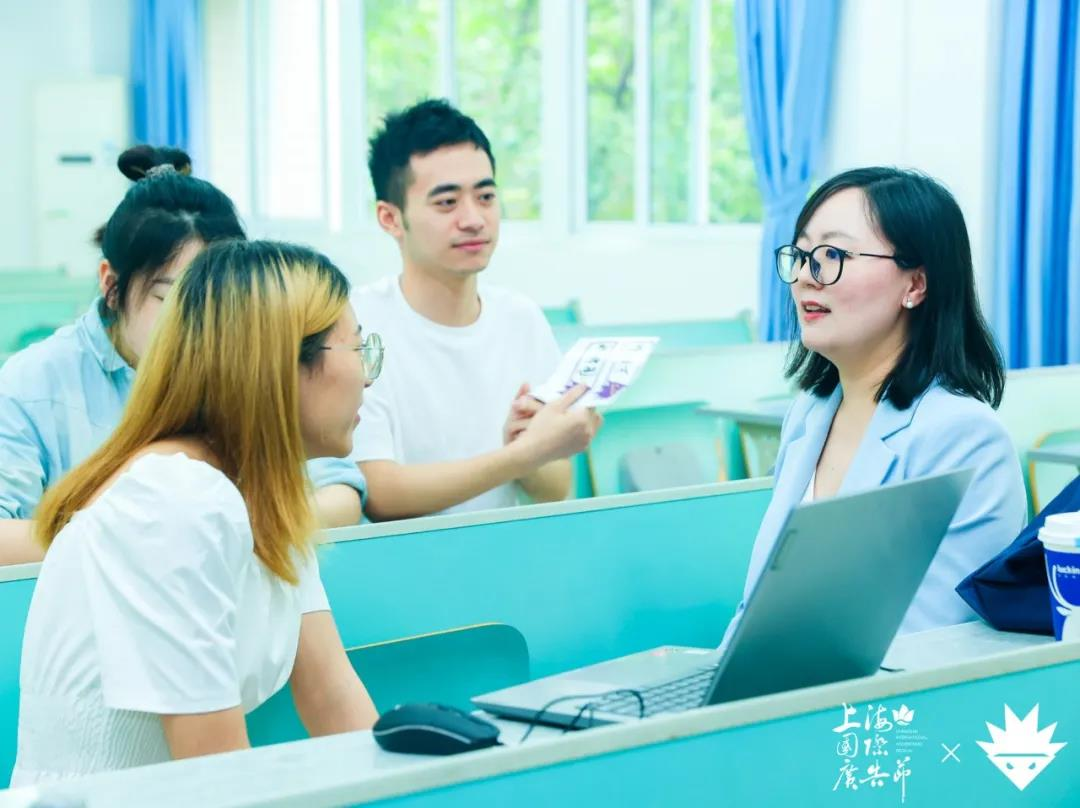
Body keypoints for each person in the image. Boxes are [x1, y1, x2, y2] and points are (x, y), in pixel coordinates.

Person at [12, 240, 379, 785]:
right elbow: (218, 780)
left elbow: (332, 698)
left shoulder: (258, 493)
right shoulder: (175, 503)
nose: (369, 376)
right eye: (359, 349)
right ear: (282, 365)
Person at [0, 146, 367, 564]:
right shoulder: (32, 381)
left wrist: (220, 526)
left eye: (221, 305)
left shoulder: (251, 365)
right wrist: (150, 536)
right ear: (111, 285)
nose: (201, 325)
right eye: (173, 299)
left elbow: (340, 495)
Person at [738, 167, 1026, 636]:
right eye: (803, 254)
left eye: (832, 254)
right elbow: (757, 607)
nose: (806, 277)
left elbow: (932, 639)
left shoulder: (964, 438)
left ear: (915, 285)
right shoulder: (810, 412)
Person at [351, 99, 600, 520]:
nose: (473, 219)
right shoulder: (357, 324)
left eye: (485, 197)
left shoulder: (521, 318)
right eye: (447, 203)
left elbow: (555, 488)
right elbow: (381, 495)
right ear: (390, 219)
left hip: (503, 553)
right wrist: (521, 455)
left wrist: (527, 448)